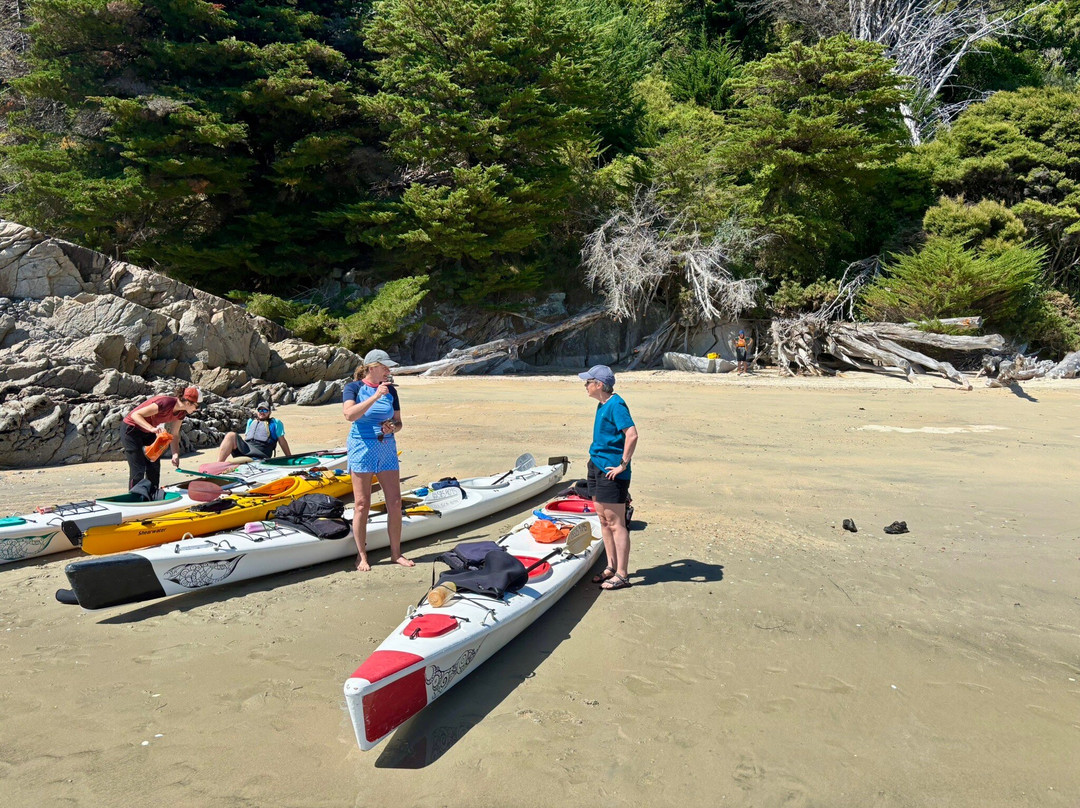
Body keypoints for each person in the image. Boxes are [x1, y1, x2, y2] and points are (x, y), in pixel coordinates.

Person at [342, 349, 412, 571]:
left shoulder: (391, 390)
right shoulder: (353, 388)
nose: (388, 371)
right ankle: (361, 556)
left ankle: (396, 554)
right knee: (362, 504)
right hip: (362, 447)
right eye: (385, 367)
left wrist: (393, 426)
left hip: (386, 447)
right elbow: (349, 415)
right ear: (372, 367)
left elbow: (399, 422)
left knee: (395, 502)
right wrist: (375, 396)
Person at [578, 365, 638, 591]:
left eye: (588, 382)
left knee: (616, 523)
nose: (585, 385)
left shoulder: (616, 404)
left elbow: (631, 434)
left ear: (599, 385)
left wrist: (623, 464)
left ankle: (622, 574)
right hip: (596, 466)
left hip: (611, 472)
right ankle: (610, 567)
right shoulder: (602, 404)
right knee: (603, 521)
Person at [120, 386, 202, 494]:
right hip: (131, 429)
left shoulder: (182, 413)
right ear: (188, 402)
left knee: (154, 464)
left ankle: (152, 493)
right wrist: (152, 429)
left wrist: (175, 454)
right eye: (197, 406)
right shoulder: (165, 403)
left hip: (149, 430)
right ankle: (135, 496)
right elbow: (136, 415)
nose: (197, 409)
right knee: (138, 467)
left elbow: (175, 434)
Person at [216, 401, 291, 461]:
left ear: (269, 412)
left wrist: (289, 457)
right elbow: (246, 438)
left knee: (231, 435)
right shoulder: (251, 421)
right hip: (246, 450)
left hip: (261, 453)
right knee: (230, 435)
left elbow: (282, 442)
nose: (262, 412)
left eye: (265, 410)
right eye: (260, 410)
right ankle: (218, 465)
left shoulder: (276, 423)